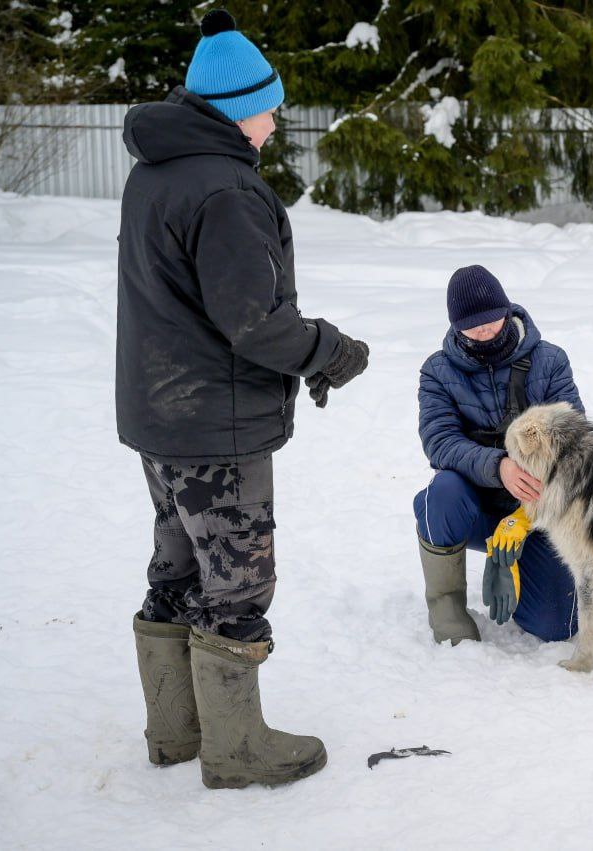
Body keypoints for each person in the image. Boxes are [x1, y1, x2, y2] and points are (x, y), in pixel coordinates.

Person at [117, 10, 369, 789]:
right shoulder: (224, 188)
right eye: (269, 107)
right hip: (214, 425)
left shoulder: (158, 170)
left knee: (178, 567)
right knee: (237, 582)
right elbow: (254, 323)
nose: (275, 120)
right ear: (236, 109)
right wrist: (331, 349)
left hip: (161, 417)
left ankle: (175, 729)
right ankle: (236, 749)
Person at [414, 265, 583, 645]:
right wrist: (498, 466)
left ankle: (513, 563)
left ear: (507, 312)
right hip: (474, 503)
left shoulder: (550, 360)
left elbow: (574, 441)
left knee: (558, 626)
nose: (485, 332)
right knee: (440, 492)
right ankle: (447, 608)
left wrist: (522, 520)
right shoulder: (437, 372)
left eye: (492, 321)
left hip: (538, 509)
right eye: (472, 327)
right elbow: (439, 441)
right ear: (456, 327)